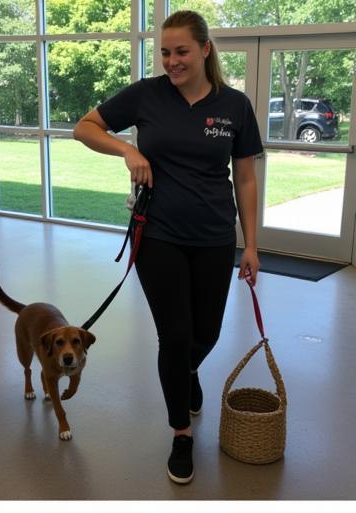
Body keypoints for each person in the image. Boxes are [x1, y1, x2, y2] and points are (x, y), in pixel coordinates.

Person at [73, 10, 263, 486]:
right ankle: (181, 432)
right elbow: (85, 127)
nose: (171, 61)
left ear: (204, 50)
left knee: (208, 331)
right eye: (164, 51)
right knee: (174, 337)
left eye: (181, 51)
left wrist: (252, 245)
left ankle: (185, 373)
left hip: (215, 238)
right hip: (157, 236)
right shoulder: (147, 95)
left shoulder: (235, 106)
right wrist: (129, 151)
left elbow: (245, 177)